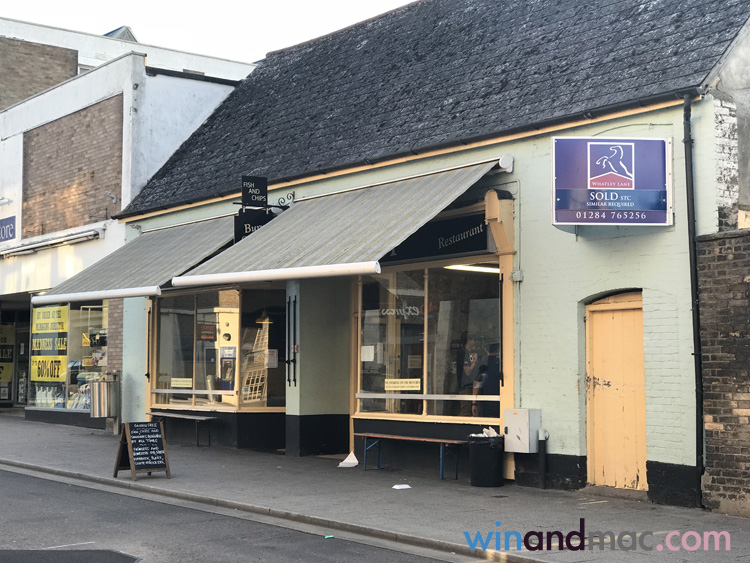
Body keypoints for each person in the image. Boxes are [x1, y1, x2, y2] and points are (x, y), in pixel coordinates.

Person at [457, 335, 485, 416]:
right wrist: (475, 362)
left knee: (476, 410)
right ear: (469, 340)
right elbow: (468, 372)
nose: (475, 341)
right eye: (473, 339)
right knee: (466, 411)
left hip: (474, 385)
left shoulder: (472, 352)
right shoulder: (462, 353)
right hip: (466, 387)